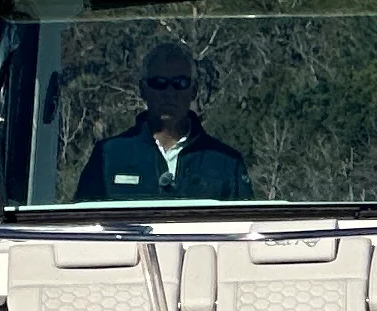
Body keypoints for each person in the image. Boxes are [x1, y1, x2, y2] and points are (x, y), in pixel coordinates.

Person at [79, 41, 252, 201]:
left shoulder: (226, 163)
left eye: (180, 83)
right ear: (143, 90)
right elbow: (82, 223)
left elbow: (246, 226)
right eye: (159, 83)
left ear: (193, 91)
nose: (169, 92)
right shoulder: (108, 156)